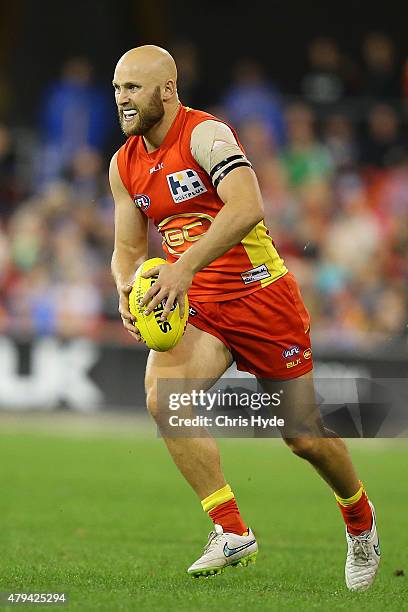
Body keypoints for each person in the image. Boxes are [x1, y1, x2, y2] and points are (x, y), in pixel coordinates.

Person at [109, 45, 380, 591]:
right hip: (200, 305)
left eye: (134, 88)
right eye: (117, 89)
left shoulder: (208, 135)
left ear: (167, 90)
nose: (123, 99)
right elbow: (127, 247)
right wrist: (124, 290)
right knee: (166, 396)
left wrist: (181, 268)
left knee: (303, 437)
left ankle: (360, 521)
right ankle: (230, 529)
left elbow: (247, 206)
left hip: (261, 296)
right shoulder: (124, 164)